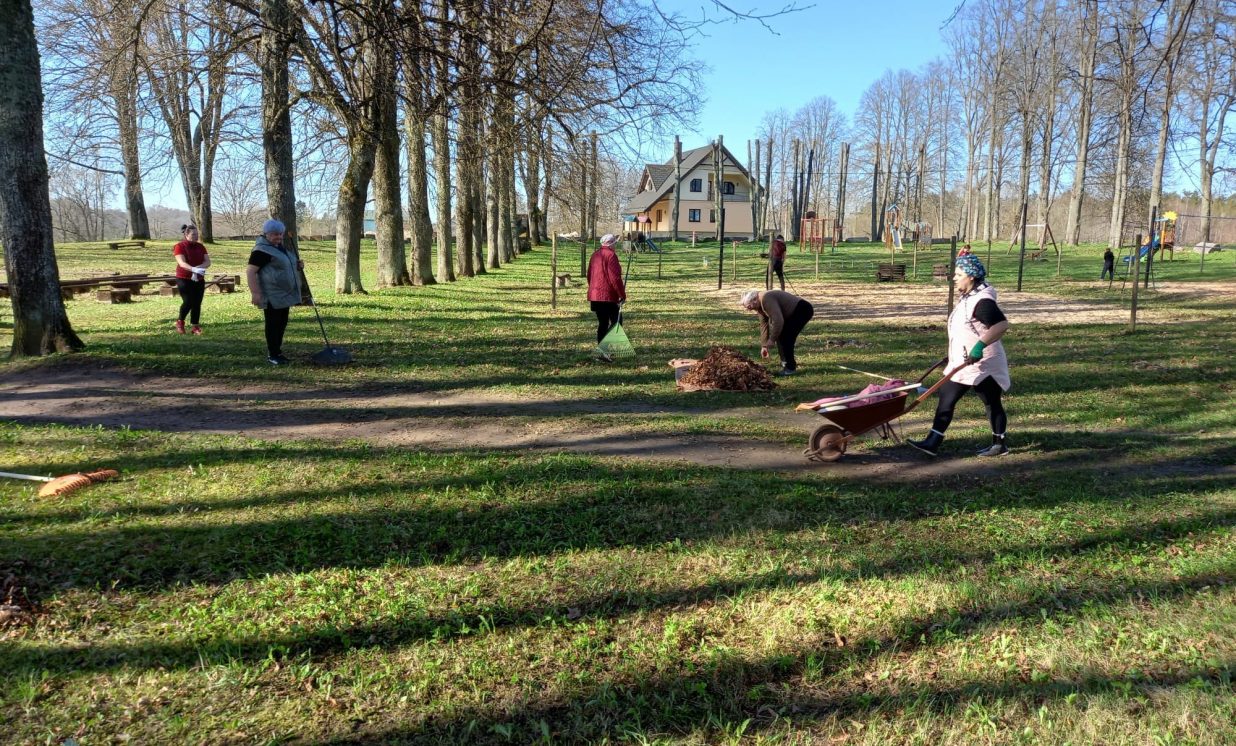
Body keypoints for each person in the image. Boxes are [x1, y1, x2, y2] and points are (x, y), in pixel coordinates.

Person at [908, 252, 1011, 457]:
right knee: (946, 397)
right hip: (963, 363)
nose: (954, 278)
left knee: (991, 402)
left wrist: (979, 347)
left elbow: (1001, 325)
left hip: (984, 364)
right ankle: (933, 442)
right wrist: (955, 353)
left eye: (959, 274)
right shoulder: (969, 297)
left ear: (971, 276)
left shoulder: (982, 301)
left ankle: (999, 444)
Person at [246, 219, 303, 365]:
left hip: (284, 294)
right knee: (273, 324)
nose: (278, 237)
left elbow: (283, 265)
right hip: (272, 294)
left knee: (281, 323)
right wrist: (255, 293)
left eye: (280, 234)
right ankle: (273, 355)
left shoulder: (278, 247)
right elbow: (250, 271)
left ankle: (278, 352)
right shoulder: (261, 250)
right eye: (275, 234)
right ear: (266, 234)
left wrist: (297, 265)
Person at [738, 288, 814, 376]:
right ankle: (786, 364)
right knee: (781, 335)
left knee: (786, 337)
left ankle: (790, 368)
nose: (749, 310)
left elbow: (778, 320)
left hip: (802, 310)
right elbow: (764, 325)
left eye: (749, 306)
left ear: (754, 300)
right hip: (793, 313)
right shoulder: (759, 306)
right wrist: (764, 345)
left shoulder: (766, 299)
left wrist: (772, 339)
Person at [587, 233, 626, 345]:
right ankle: (606, 347)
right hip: (608, 296)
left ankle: (602, 348)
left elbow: (589, 275)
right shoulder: (611, 255)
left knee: (603, 323)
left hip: (595, 296)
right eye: (614, 244)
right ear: (611, 244)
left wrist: (593, 290)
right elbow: (615, 278)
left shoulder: (595, 255)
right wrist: (622, 295)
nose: (615, 246)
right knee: (617, 322)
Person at [172, 223, 211, 335]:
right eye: (193, 234)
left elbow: (207, 261)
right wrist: (193, 269)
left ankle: (195, 326)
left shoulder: (200, 246)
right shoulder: (179, 246)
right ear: (186, 235)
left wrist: (199, 268)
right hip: (184, 278)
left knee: (197, 302)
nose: (196, 236)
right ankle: (180, 322)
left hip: (199, 278)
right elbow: (182, 263)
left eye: (197, 234)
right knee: (188, 301)